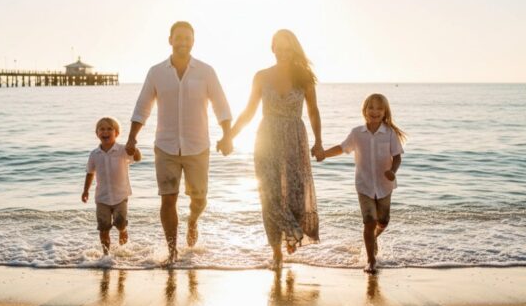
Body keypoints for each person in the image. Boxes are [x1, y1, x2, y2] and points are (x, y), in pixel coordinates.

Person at [126, 21, 232, 263]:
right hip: (166, 146)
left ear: (193, 42)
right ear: (170, 40)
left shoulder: (206, 71)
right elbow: (143, 106)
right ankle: (172, 251)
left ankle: (193, 220)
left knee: (199, 199)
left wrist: (227, 135)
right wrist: (132, 137)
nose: (183, 42)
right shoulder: (156, 72)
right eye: (179, 37)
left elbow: (221, 104)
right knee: (168, 198)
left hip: (198, 146)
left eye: (187, 38)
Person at [223, 29, 322, 269]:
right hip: (266, 139)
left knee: (296, 195)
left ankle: (291, 234)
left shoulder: (304, 77)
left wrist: (318, 141)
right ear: (273, 48)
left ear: (294, 49)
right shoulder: (261, 76)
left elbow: (313, 111)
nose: (284, 52)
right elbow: (249, 111)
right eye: (280, 47)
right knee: (269, 195)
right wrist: (229, 136)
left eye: (288, 48)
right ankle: (277, 250)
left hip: (295, 139)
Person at [320, 93, 406, 273]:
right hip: (364, 185)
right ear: (364, 110)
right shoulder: (357, 133)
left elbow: (397, 157)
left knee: (383, 220)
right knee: (369, 221)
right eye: (371, 108)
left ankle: (373, 238)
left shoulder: (389, 133)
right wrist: (324, 154)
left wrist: (392, 171)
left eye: (379, 108)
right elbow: (342, 148)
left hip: (385, 185)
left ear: (385, 112)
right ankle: (371, 260)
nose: (375, 111)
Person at [81, 117, 141, 255]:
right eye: (102, 129)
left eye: (109, 129)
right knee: (103, 227)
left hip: (121, 195)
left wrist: (134, 148)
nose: (105, 132)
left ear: (116, 133)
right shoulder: (94, 154)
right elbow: (90, 173)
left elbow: (137, 158)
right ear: (97, 133)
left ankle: (123, 249)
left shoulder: (122, 150)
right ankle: (106, 255)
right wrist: (85, 191)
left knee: (120, 223)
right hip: (102, 198)